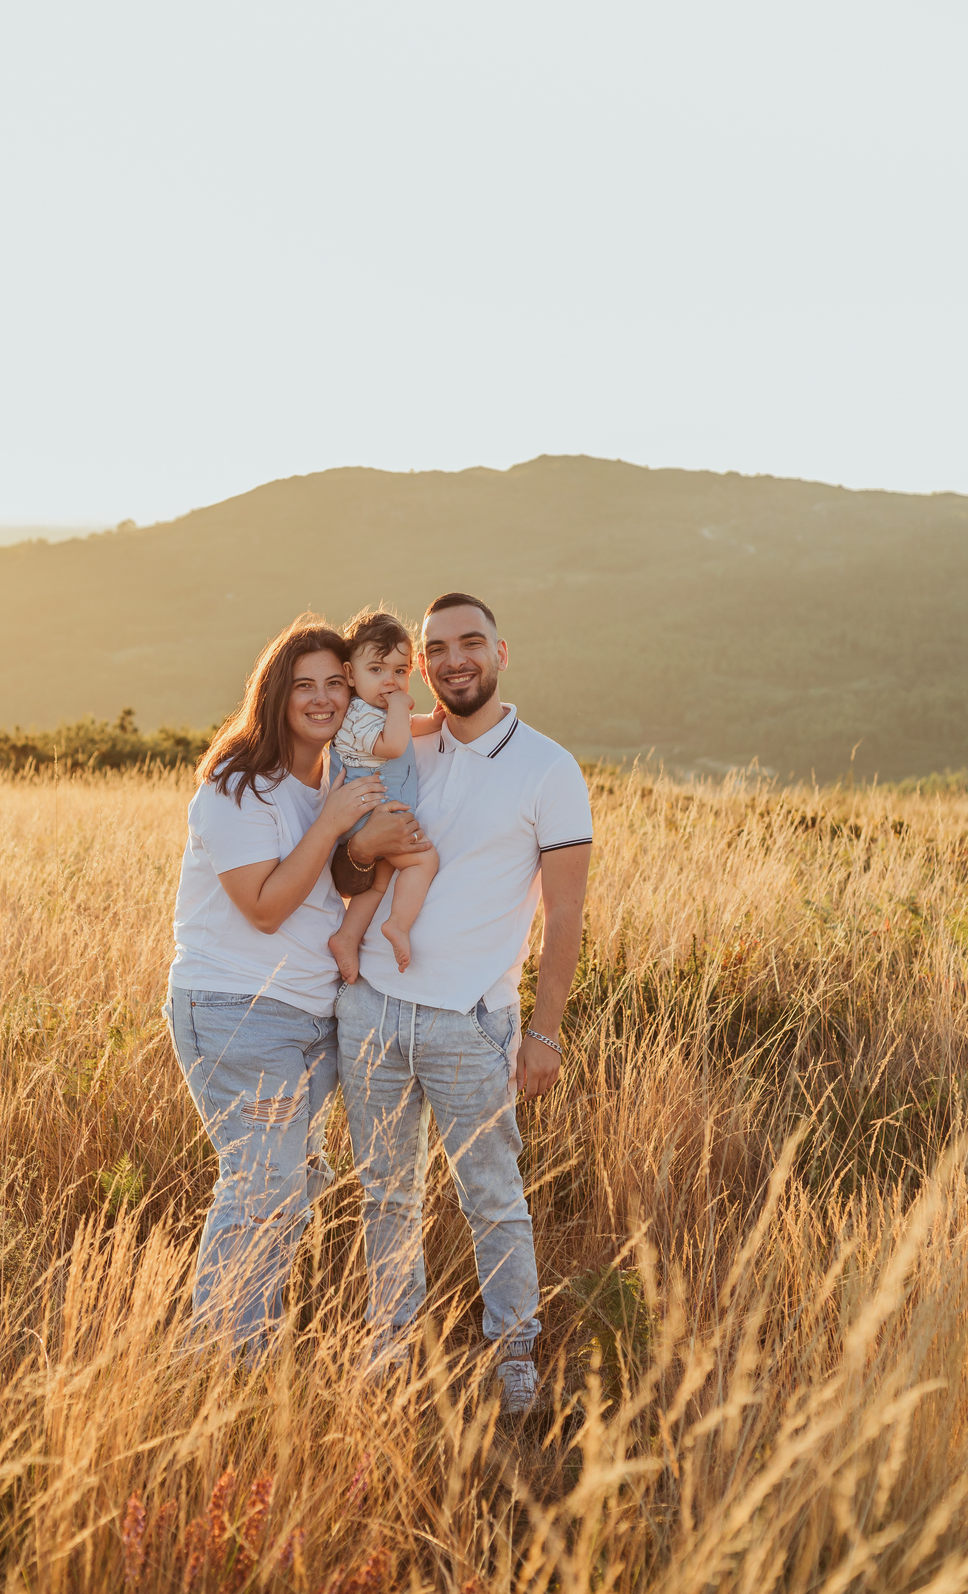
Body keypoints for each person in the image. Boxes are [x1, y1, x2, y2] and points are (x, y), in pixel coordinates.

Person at [333, 592, 592, 1415]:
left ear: (500, 652)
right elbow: (349, 866)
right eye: (436, 648)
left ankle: (515, 1355)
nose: (454, 660)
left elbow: (566, 916)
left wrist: (544, 1032)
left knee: (491, 1194)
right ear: (422, 664)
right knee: (386, 1193)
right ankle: (390, 1344)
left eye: (470, 643)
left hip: (470, 1023)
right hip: (372, 1006)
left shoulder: (549, 768)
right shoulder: (406, 743)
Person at [166, 613, 431, 1356]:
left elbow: (335, 879)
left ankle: (248, 1342)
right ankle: (224, 1359)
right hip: (238, 1010)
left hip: (311, 1018)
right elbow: (264, 907)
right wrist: (333, 824)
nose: (321, 699)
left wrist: (362, 840)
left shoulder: (329, 779)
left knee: (286, 1189)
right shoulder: (237, 787)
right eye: (304, 686)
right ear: (276, 695)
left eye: (336, 686)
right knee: (262, 1191)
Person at [327, 609, 443, 982]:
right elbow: (395, 744)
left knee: (382, 877)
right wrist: (398, 705)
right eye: (376, 670)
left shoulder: (377, 711)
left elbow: (409, 727)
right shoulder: (358, 715)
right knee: (424, 860)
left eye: (400, 671)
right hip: (369, 815)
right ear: (350, 674)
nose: (390, 682)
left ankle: (347, 936)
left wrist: (436, 722)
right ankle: (398, 924)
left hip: (376, 813)